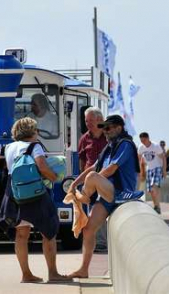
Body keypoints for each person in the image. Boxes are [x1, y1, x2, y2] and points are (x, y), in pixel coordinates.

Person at [0, 118, 69, 283]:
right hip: (36, 193)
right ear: (33, 131)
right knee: (49, 232)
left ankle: (26, 274)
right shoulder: (35, 146)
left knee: (21, 233)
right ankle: (53, 273)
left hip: (14, 193)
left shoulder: (8, 147)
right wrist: (54, 178)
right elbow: (42, 166)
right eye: (36, 129)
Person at [67, 114, 141, 279]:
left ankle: (84, 198)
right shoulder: (108, 147)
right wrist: (74, 183)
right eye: (104, 129)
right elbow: (93, 167)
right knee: (88, 230)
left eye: (108, 128)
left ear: (119, 128)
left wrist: (92, 183)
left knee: (93, 177)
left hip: (121, 192)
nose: (105, 132)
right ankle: (84, 269)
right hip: (106, 193)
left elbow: (111, 169)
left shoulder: (125, 144)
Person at [77, 107, 108, 252]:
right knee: (92, 210)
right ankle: (97, 242)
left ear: (99, 120)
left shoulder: (109, 136)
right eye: (86, 121)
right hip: (89, 181)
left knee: (102, 209)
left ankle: (102, 242)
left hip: (107, 179)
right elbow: (82, 161)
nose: (87, 123)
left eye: (90, 120)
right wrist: (82, 179)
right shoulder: (84, 139)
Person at [138, 132, 166, 214]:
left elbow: (163, 158)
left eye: (144, 140)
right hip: (149, 169)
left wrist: (164, 170)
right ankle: (157, 206)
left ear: (148, 138)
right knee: (150, 191)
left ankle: (157, 206)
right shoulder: (141, 147)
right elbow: (139, 159)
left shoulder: (156, 146)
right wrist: (141, 171)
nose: (143, 143)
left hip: (157, 168)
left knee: (154, 188)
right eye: (141, 141)